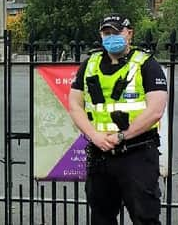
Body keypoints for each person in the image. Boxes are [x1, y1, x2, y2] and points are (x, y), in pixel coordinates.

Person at [68, 14, 167, 225]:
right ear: (101, 35)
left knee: (145, 217)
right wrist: (94, 135)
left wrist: (122, 136)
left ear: (129, 34)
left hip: (136, 153)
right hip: (100, 153)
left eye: (116, 32)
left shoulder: (146, 64)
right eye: (106, 33)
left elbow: (156, 110)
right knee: (101, 218)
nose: (111, 37)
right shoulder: (89, 64)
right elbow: (75, 105)